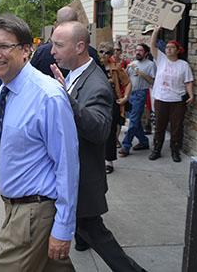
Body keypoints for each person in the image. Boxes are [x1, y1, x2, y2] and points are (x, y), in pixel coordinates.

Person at [0, 14, 79, 271]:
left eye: (4, 46)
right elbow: (1, 150)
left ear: (26, 51)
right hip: (14, 207)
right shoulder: (3, 91)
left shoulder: (48, 96)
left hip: (34, 213)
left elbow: (67, 165)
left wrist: (63, 227)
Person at [50, 22, 145, 272]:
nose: (52, 51)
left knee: (95, 233)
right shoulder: (74, 73)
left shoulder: (96, 83)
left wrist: (66, 99)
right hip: (73, 177)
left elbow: (100, 130)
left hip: (83, 179)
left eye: (59, 45)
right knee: (87, 230)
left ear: (80, 46)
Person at [149, 27, 194, 162]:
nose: (168, 49)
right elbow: (152, 45)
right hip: (161, 99)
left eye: (171, 47)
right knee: (160, 125)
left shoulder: (183, 65)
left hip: (177, 100)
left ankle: (175, 150)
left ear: (178, 50)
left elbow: (188, 81)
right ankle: (157, 149)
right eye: (167, 47)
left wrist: (191, 95)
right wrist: (156, 31)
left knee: (176, 127)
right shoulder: (161, 59)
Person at [31, 6, 104, 78]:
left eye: (59, 45)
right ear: (77, 22)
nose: (53, 52)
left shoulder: (41, 53)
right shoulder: (91, 53)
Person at [97, 42, 131, 173]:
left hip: (111, 104)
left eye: (107, 53)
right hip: (96, 103)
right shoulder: (93, 66)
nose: (104, 55)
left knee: (110, 133)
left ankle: (108, 162)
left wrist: (125, 97)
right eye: (101, 52)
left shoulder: (116, 68)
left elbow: (127, 83)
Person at [120, 43, 156, 157]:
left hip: (141, 93)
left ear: (146, 53)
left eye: (140, 50)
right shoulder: (133, 64)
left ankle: (126, 145)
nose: (137, 52)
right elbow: (125, 79)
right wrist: (125, 71)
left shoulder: (150, 65)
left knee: (134, 121)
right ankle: (144, 142)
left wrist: (140, 73)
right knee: (135, 121)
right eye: (136, 50)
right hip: (130, 94)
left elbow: (153, 81)